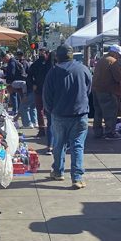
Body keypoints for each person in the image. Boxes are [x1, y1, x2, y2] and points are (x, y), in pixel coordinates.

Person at [43, 44, 92, 190]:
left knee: (59, 144)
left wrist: (51, 110)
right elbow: (89, 89)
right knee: (77, 145)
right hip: (80, 113)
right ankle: (77, 178)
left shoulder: (53, 72)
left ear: (57, 57)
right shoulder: (83, 69)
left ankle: (58, 172)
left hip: (59, 114)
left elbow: (47, 95)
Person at [92, 45, 121, 139]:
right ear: (113, 52)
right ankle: (110, 133)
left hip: (96, 89)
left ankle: (97, 132)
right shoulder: (112, 61)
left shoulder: (101, 60)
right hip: (107, 90)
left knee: (98, 112)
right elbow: (118, 77)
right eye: (118, 54)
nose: (118, 56)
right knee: (110, 112)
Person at [27, 48, 53, 137]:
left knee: (49, 111)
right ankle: (42, 129)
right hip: (39, 90)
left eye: (43, 53)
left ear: (47, 54)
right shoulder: (36, 64)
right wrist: (33, 84)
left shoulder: (52, 64)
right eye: (40, 54)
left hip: (50, 91)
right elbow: (29, 75)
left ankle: (50, 129)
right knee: (40, 110)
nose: (41, 55)